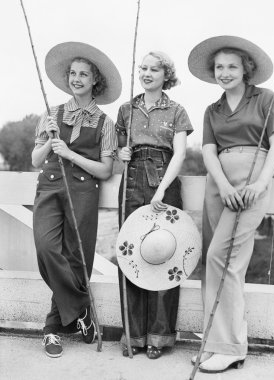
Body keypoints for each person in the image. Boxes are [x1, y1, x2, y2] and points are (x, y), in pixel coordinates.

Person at [188, 36, 274, 373]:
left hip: (250, 182)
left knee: (222, 258)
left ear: (246, 69)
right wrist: (224, 183)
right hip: (219, 184)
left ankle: (231, 347)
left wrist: (259, 183)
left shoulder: (265, 99)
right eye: (219, 67)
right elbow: (208, 150)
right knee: (215, 260)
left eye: (232, 66)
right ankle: (214, 342)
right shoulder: (212, 110)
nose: (225, 72)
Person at [32, 42, 121, 358]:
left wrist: (70, 153)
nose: (77, 78)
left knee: (75, 259)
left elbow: (107, 170)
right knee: (45, 248)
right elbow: (34, 158)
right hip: (49, 188)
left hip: (84, 193)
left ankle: (52, 330)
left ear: (95, 80)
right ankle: (82, 309)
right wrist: (50, 141)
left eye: (84, 74)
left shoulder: (105, 123)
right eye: (73, 73)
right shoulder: (52, 112)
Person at [116, 51, 193, 359]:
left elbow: (180, 154)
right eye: (143, 68)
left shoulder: (176, 110)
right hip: (131, 177)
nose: (147, 73)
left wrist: (161, 189)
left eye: (154, 69)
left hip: (165, 178)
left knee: (165, 253)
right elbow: (116, 150)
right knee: (130, 253)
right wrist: (120, 155)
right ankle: (133, 335)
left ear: (166, 75)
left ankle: (158, 338)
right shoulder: (126, 109)